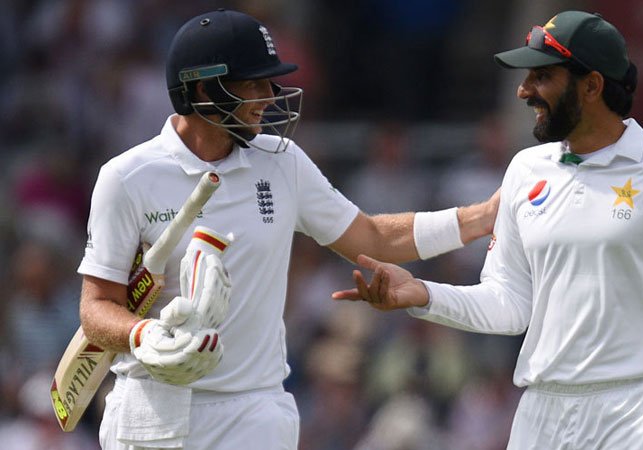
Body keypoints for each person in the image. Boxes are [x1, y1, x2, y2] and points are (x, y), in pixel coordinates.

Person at [77, 9, 498, 450]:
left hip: (253, 410)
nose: (269, 96)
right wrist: (142, 335)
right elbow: (96, 308)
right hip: (156, 408)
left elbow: (373, 237)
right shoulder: (127, 178)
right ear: (203, 88)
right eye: (253, 83)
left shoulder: (283, 161)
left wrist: (478, 219)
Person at [333, 10, 643, 450]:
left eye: (542, 77)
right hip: (541, 411)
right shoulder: (526, 170)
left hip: (638, 408)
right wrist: (424, 294)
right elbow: (510, 304)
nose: (523, 90)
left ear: (592, 85)